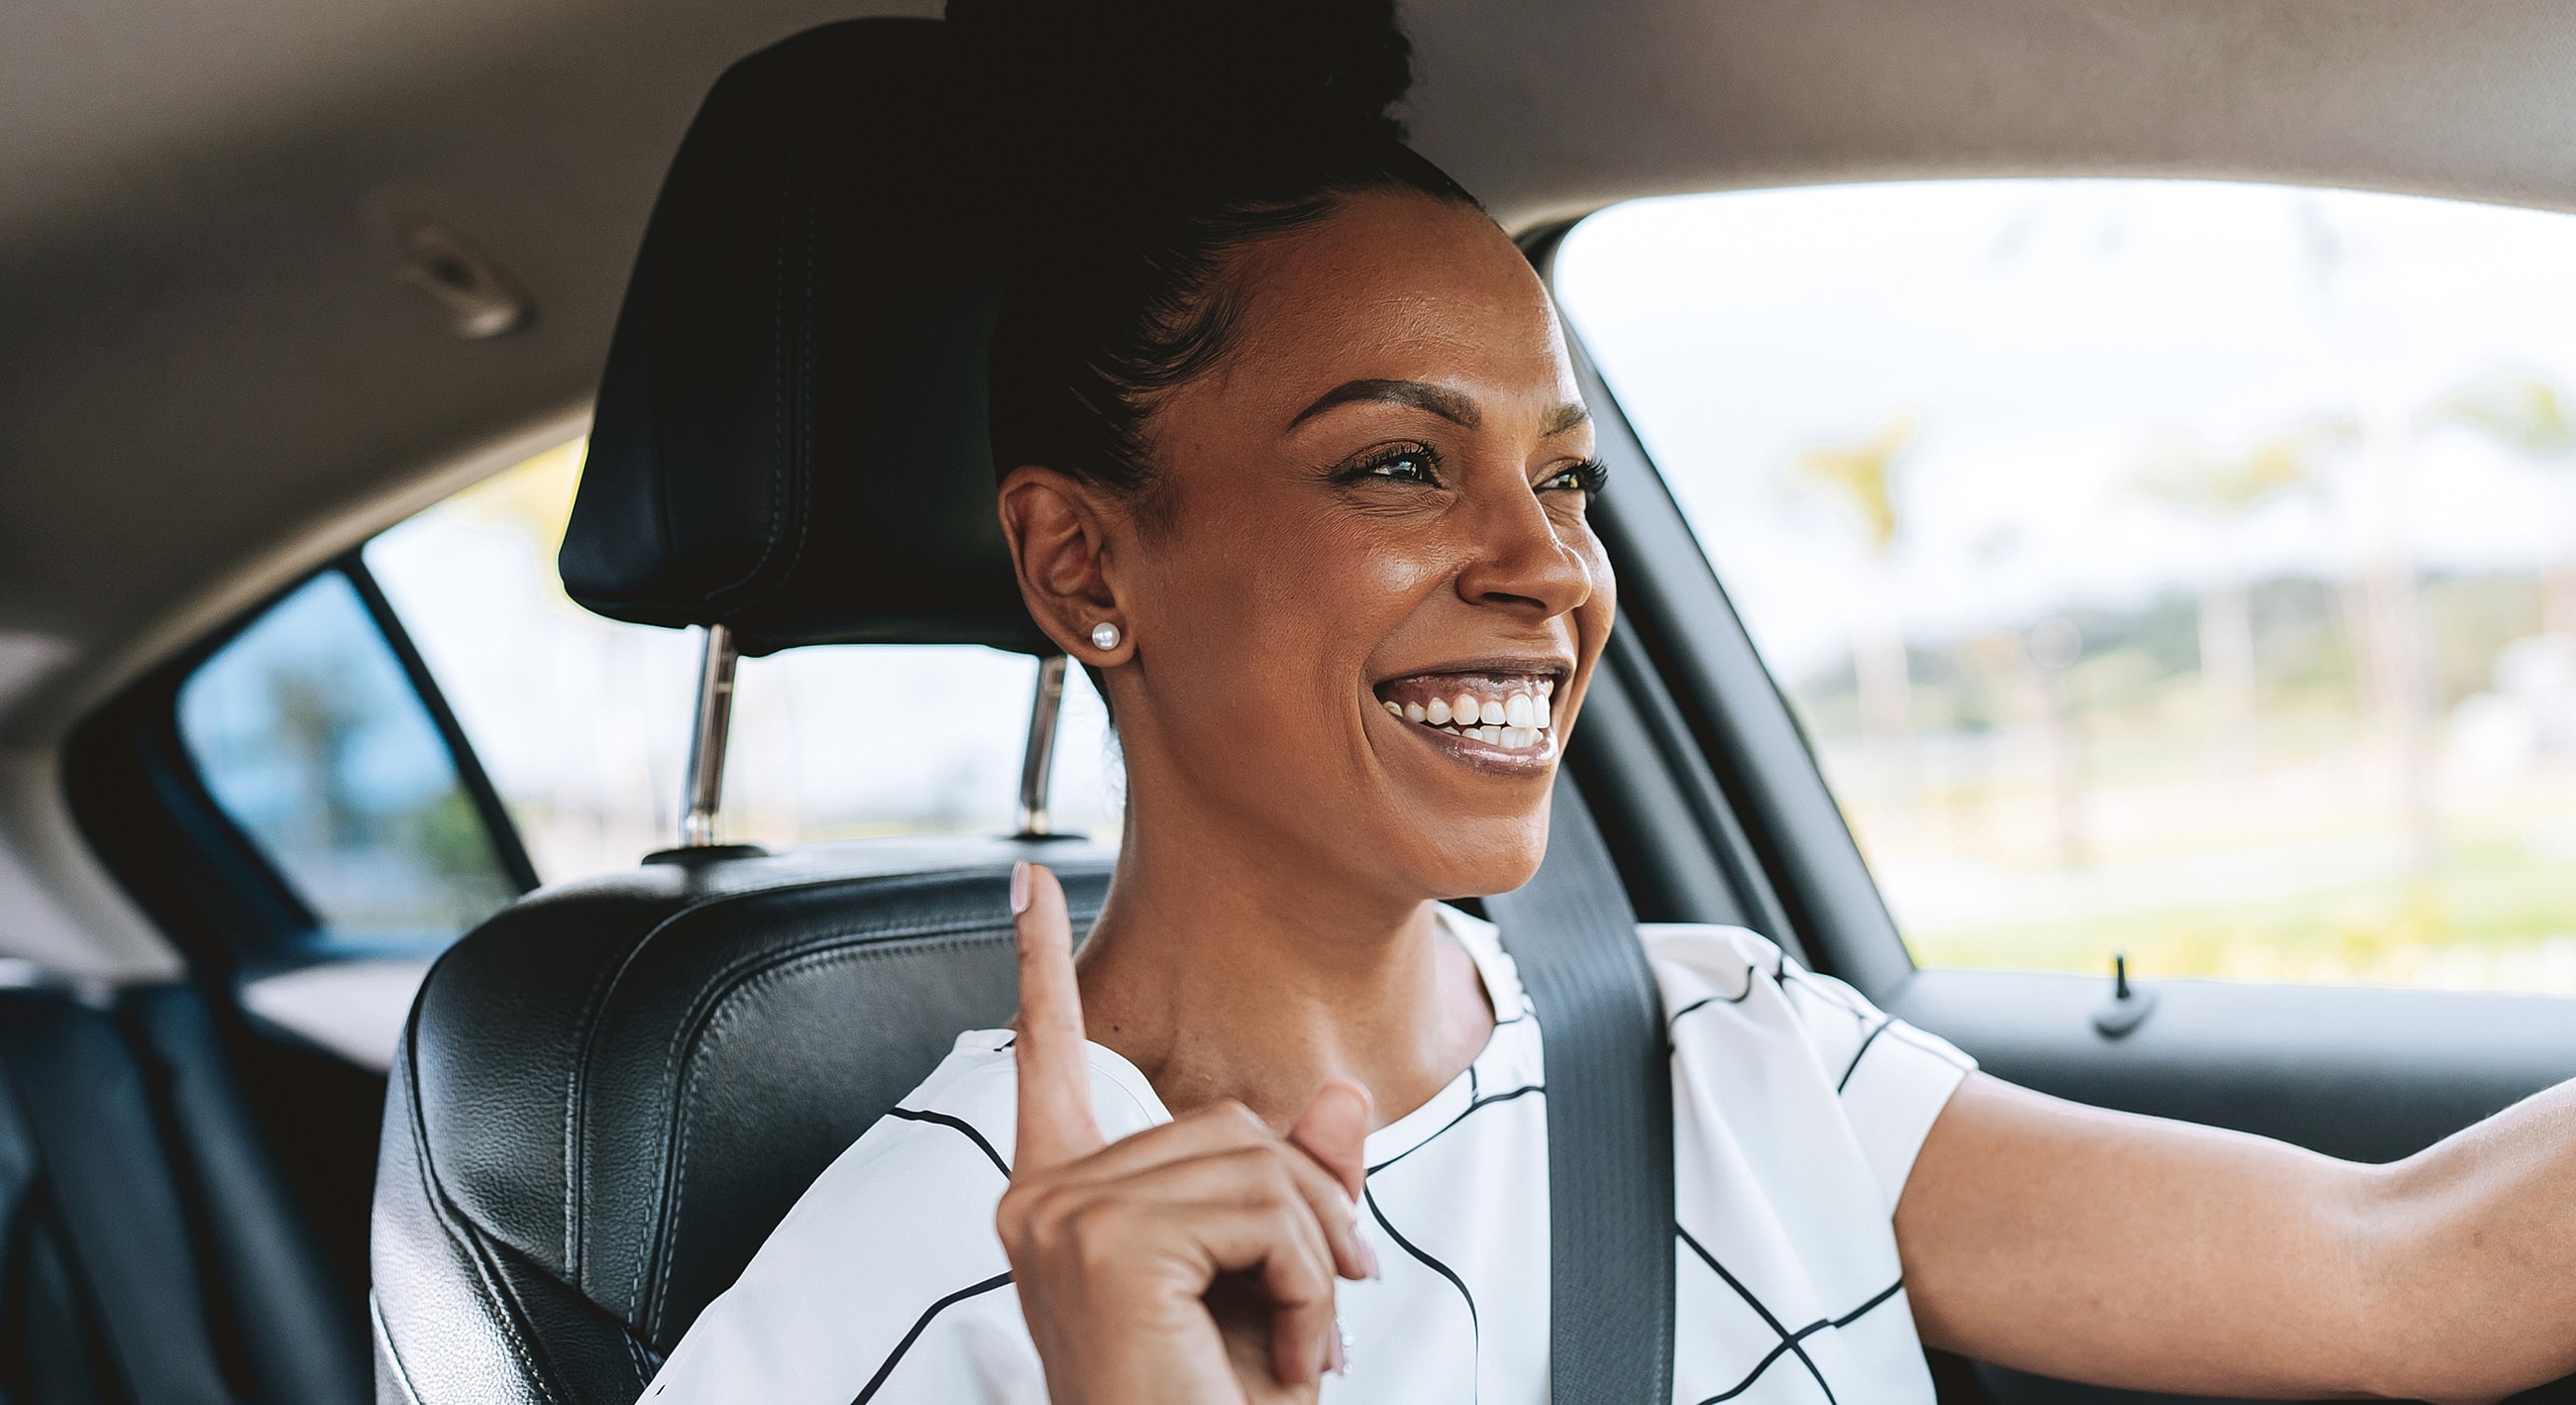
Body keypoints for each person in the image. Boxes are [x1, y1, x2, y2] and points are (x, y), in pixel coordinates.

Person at [641, 4, 2576, 1401]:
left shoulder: (1726, 1049)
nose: (1551, 565)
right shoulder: (903, 1284)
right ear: (1082, 562)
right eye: (1398, 465)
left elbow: (2399, 1271)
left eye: (1562, 476)